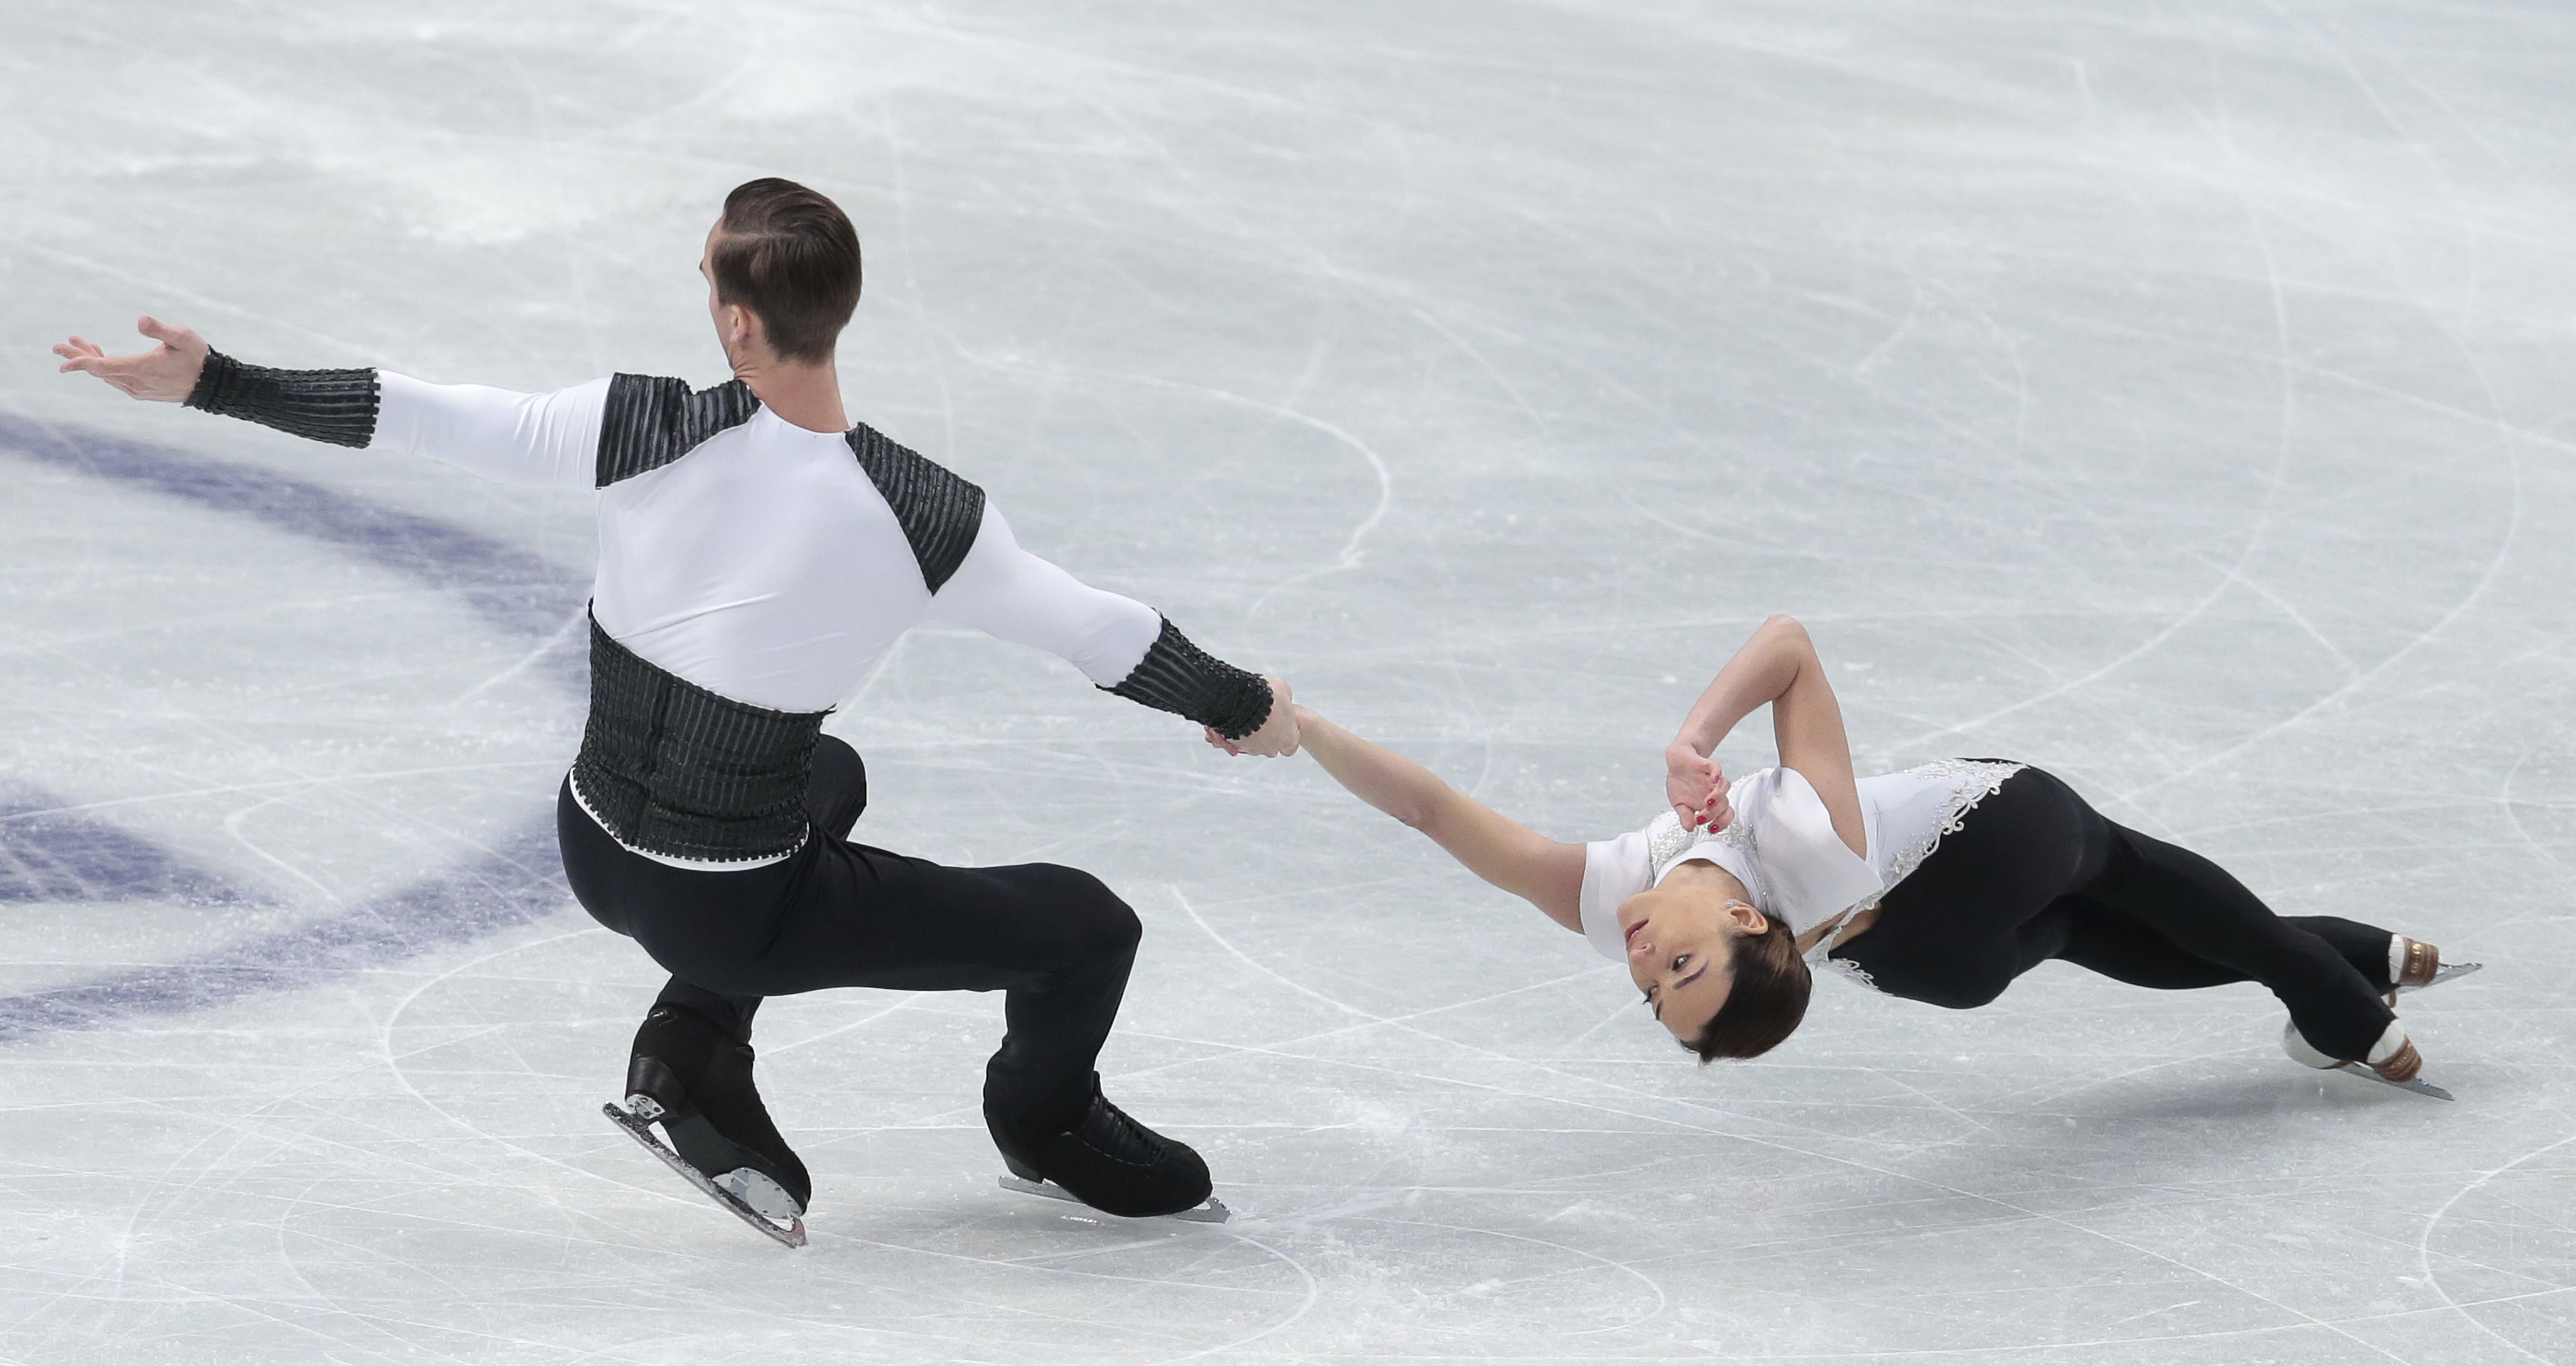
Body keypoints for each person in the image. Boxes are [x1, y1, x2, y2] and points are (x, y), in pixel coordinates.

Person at [54, 177, 1300, 1240]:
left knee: (833, 775)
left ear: (738, 321)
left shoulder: (634, 425)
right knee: (1088, 927)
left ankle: (691, 1049)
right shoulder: (922, 519)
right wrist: (1244, 706)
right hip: (734, 910)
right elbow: (1102, 633)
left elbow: (416, 413)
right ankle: (1041, 1120)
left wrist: (214, 382)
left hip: (593, 843)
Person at [1266, 614, 2470, 1094]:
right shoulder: (1798, 845)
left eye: (1653, 988)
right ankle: (2349, 1001)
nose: (1640, 960)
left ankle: (2361, 972)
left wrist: (1305, 727)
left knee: (2088, 936)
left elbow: (1429, 813)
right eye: (1678, 974)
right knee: (2128, 878)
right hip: (1996, 841)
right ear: (1748, 925)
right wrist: (1695, 741)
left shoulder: (1608, 900)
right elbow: (1789, 646)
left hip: (1937, 961)